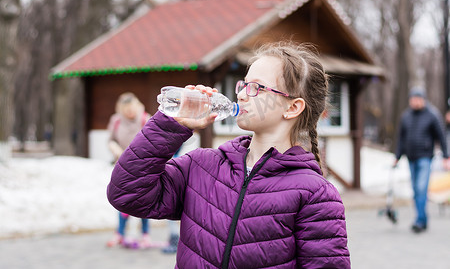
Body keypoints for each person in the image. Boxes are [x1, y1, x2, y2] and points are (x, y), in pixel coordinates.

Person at [107, 41, 350, 268]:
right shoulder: (201, 165)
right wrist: (169, 126)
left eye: (256, 87)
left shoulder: (316, 194)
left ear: (292, 107)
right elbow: (126, 194)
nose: (242, 94)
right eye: (243, 84)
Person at [394, 87, 450, 233]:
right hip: (411, 158)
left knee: (421, 188)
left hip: (425, 158)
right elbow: (401, 138)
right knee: (415, 190)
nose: (415, 102)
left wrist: (446, 156)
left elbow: (441, 136)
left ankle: (419, 220)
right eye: (412, 99)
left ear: (423, 100)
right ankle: (423, 219)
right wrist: (397, 156)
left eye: (417, 99)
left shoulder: (432, 115)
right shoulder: (406, 116)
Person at [105, 92, 152, 248]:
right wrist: (117, 151)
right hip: (123, 166)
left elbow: (154, 142)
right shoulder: (116, 121)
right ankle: (120, 232)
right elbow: (110, 140)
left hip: (143, 167)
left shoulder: (146, 119)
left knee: (144, 200)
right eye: (126, 110)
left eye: (132, 109)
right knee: (123, 199)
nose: (129, 112)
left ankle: (145, 234)